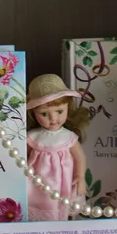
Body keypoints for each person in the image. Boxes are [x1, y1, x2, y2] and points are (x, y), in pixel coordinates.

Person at [26, 74, 89, 220]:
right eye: (44, 114)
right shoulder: (33, 137)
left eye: (59, 111)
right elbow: (22, 157)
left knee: (61, 208)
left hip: (63, 183)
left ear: (68, 108)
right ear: (34, 113)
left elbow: (80, 158)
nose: (53, 119)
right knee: (39, 207)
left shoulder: (68, 137)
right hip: (37, 183)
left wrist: (80, 177)